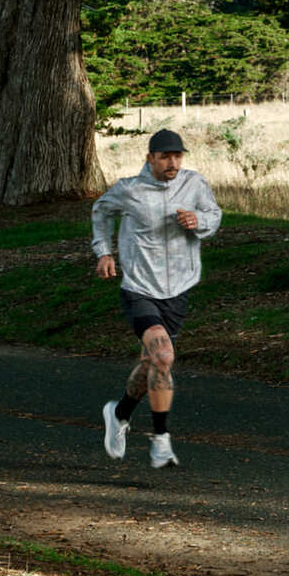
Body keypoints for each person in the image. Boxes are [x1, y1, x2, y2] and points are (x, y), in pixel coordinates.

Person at [91, 128, 222, 468]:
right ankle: (161, 440)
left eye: (177, 155)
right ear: (150, 158)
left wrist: (200, 221)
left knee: (152, 363)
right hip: (139, 287)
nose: (172, 162)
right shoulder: (129, 190)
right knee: (163, 355)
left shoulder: (195, 184)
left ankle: (118, 414)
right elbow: (101, 211)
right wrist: (104, 252)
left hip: (179, 288)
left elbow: (214, 215)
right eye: (165, 156)